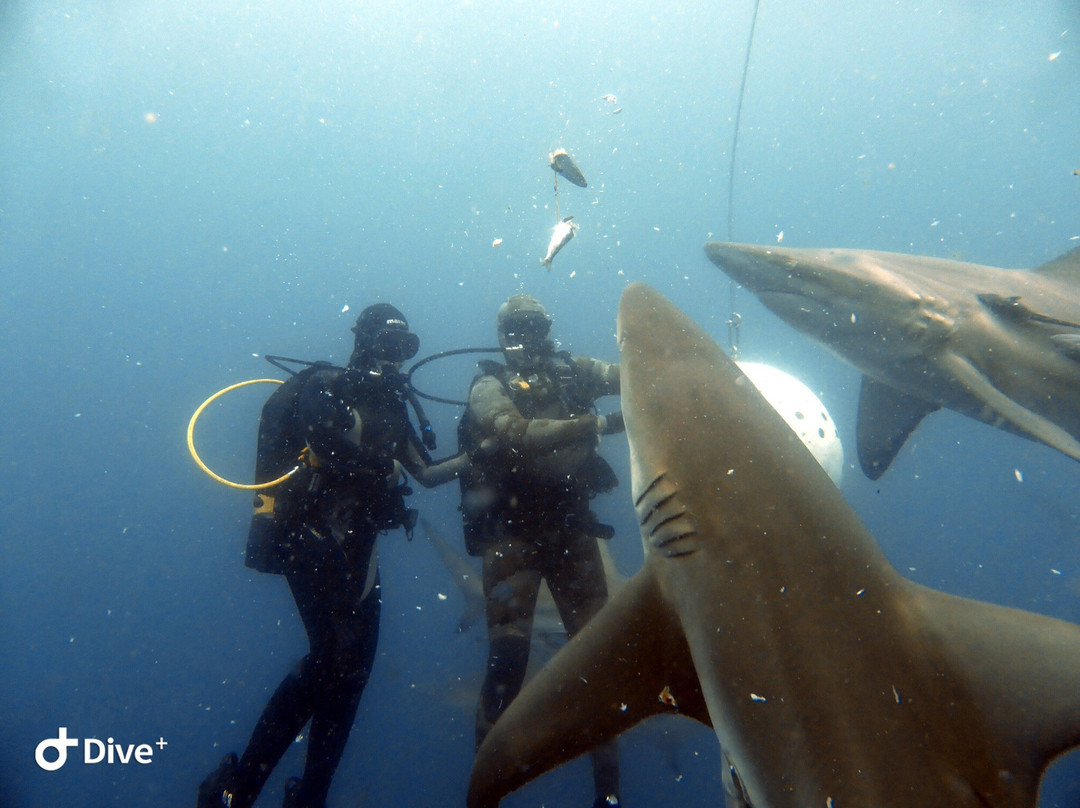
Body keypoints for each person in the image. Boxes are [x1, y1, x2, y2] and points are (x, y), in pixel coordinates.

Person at [198, 304, 469, 808]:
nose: (395, 359)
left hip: (358, 548)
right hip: (308, 538)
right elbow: (321, 439)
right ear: (364, 342)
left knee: (356, 670)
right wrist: (379, 466)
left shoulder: (393, 402)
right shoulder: (327, 385)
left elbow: (426, 473)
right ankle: (237, 791)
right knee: (331, 658)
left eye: (404, 349)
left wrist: (484, 454)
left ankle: (312, 795)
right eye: (387, 346)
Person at [457, 294, 625, 808]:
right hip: (513, 540)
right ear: (502, 336)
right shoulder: (488, 386)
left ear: (547, 329)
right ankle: (484, 794)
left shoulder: (574, 371)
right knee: (508, 660)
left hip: (572, 532)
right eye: (516, 331)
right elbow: (521, 434)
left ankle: (608, 796)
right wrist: (598, 424)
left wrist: (682, 363)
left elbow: (636, 372)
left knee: (598, 661)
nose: (526, 340)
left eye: (534, 329)